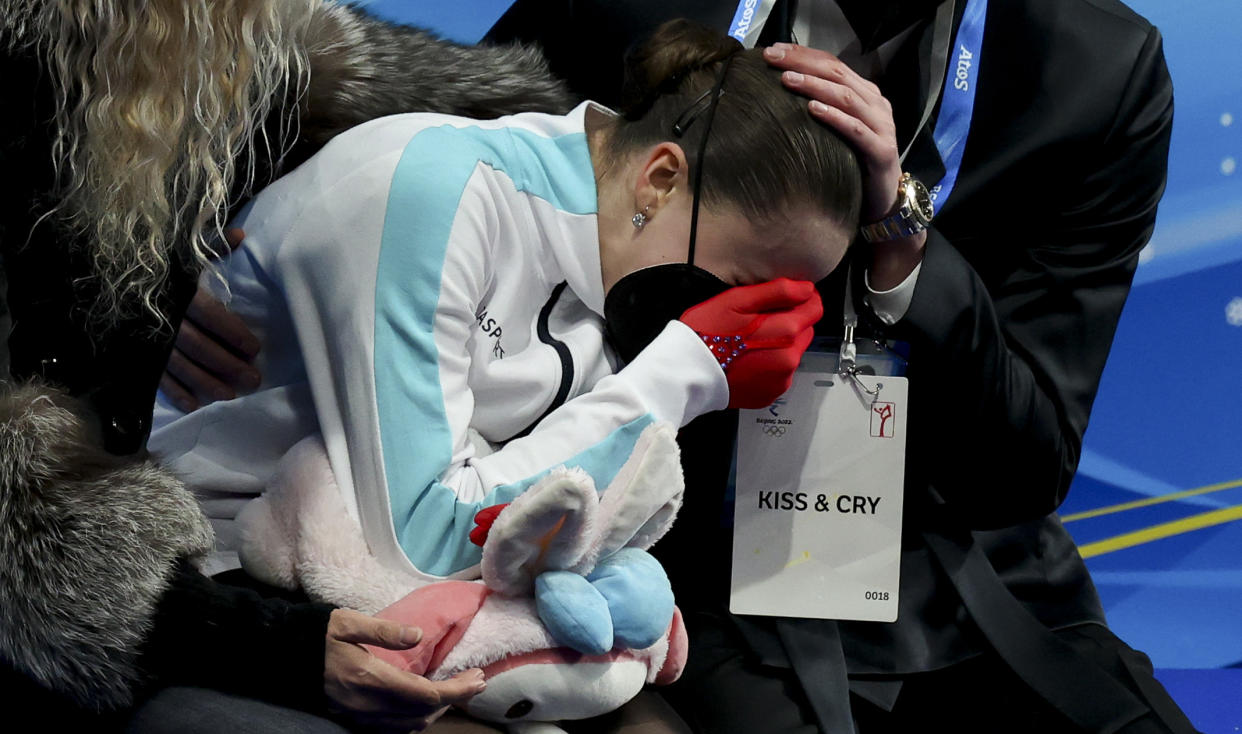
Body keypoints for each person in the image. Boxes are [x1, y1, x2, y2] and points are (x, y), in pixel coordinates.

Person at [482, 1, 1197, 732]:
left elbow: (1024, 469)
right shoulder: (626, 11)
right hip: (671, 561)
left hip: (959, 571)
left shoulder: (1097, 70)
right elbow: (446, 220)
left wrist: (905, 242)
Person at [0, 0, 574, 730]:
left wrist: (731, 127)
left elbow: (523, 109)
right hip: (76, 605)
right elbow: (28, 549)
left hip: (172, 544)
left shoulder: (225, 43)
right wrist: (279, 651)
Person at [150, 18, 860, 599]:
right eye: (743, 282)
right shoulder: (435, 191)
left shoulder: (632, 251)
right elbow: (418, 545)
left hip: (362, 598)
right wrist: (679, 377)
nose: (746, 317)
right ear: (661, 179)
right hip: (206, 578)